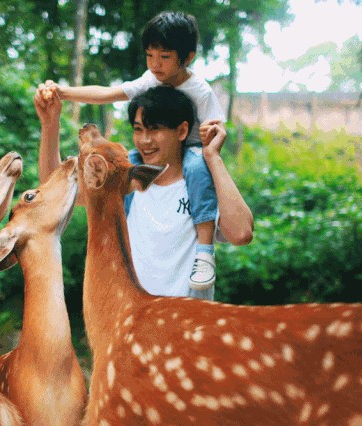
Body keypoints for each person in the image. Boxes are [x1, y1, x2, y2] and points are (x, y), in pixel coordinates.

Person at [39, 11, 224, 292]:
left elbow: (216, 128)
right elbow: (108, 93)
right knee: (121, 170)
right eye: (150, 55)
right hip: (131, 302)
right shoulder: (149, 80)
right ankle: (120, 234)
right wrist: (63, 92)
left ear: (187, 57)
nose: (156, 64)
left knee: (198, 168)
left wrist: (210, 145)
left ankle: (204, 252)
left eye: (164, 57)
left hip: (194, 149)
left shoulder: (200, 90)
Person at [34, 85, 253, 301]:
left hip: (189, 328)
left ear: (182, 131)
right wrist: (49, 123)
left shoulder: (199, 184)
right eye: (138, 129)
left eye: (155, 129)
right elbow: (54, 187)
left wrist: (213, 156)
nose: (145, 140)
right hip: (134, 326)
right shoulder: (122, 182)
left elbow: (241, 233)